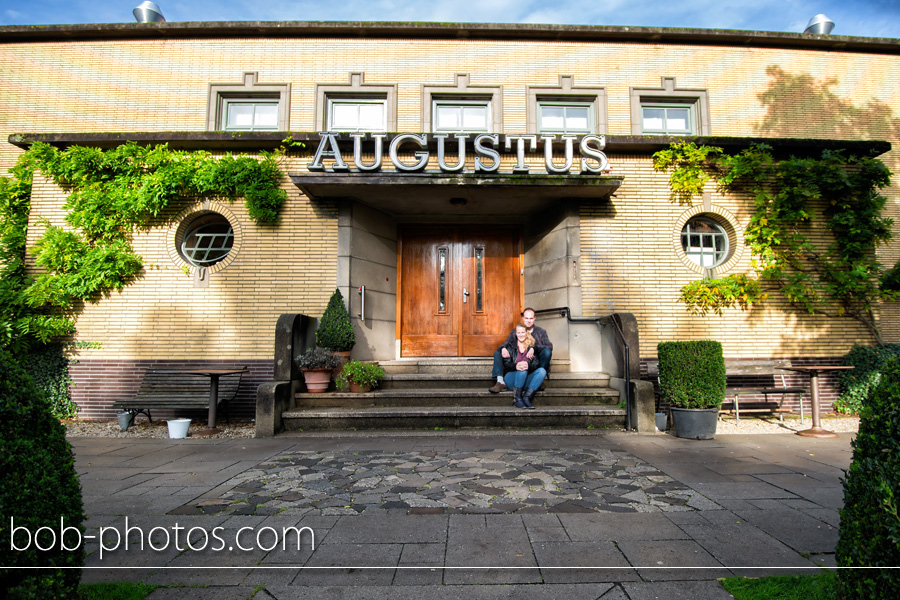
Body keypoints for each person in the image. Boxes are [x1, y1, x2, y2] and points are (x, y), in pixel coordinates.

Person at [489, 307, 553, 393]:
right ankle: (500, 381)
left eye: (531, 318)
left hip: (534, 363)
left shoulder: (541, 332)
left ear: (534, 319)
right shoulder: (515, 331)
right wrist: (503, 348)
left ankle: (538, 379)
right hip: (519, 363)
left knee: (547, 352)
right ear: (523, 318)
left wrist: (534, 349)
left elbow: (549, 346)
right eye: (526, 318)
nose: (528, 321)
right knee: (497, 353)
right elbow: (503, 344)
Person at [501, 323, 547, 409]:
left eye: (523, 332)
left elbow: (536, 364)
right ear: (516, 333)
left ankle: (527, 398)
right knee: (522, 369)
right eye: (518, 332)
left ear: (526, 333)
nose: (521, 335)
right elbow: (506, 364)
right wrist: (516, 366)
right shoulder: (510, 346)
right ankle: (517, 398)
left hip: (525, 380)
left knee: (542, 371)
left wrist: (528, 366)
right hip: (511, 380)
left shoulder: (531, 348)